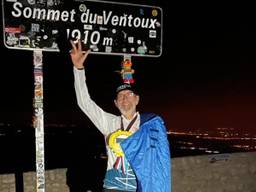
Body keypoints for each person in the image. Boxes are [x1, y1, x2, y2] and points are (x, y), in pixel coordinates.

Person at [69, 39, 171, 192]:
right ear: (116, 103)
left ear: (137, 99)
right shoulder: (109, 123)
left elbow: (160, 160)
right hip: (113, 187)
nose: (124, 99)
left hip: (140, 187)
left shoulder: (149, 126)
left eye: (129, 94)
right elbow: (85, 103)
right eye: (120, 96)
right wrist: (78, 68)